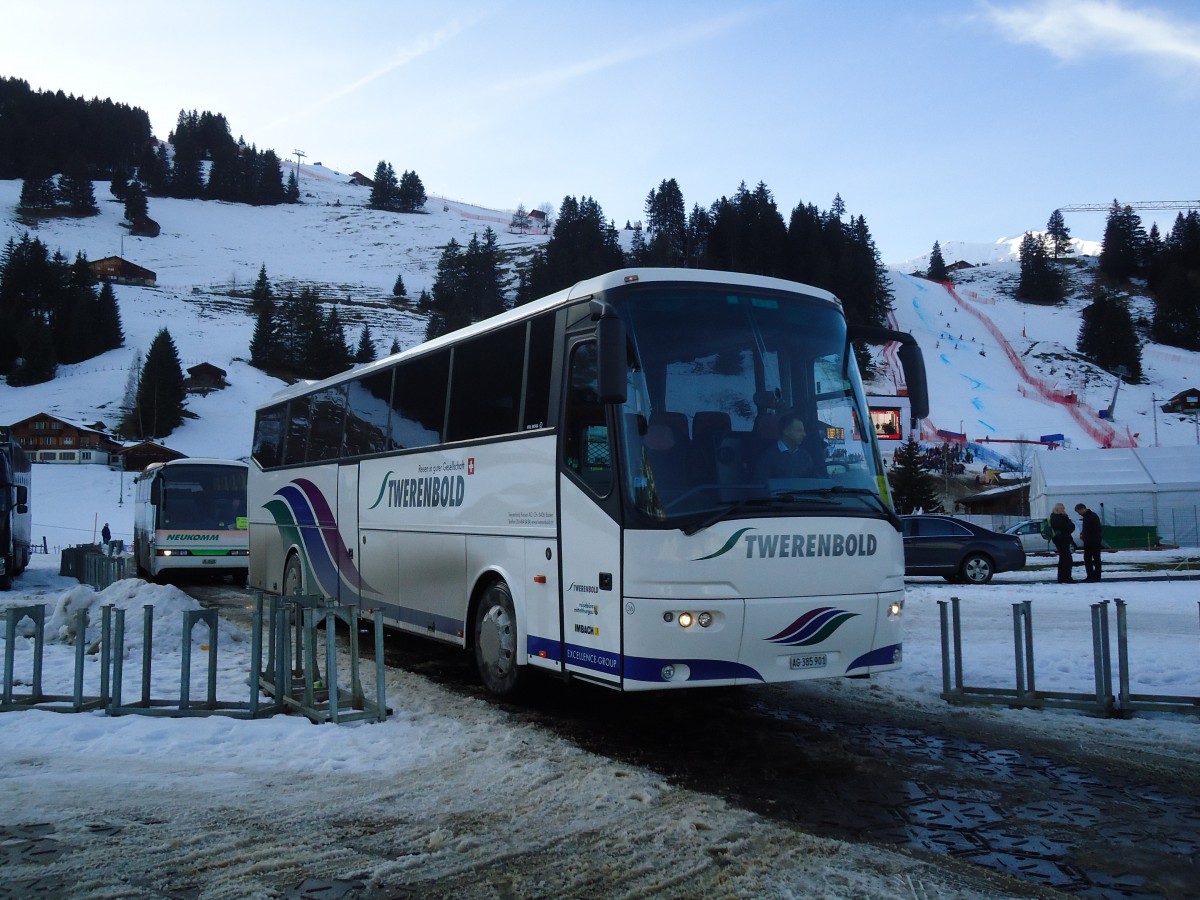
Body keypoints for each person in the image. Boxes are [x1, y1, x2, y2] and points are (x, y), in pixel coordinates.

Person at [756, 412, 819, 481]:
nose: (804, 434)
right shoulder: (768, 457)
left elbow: (815, 481)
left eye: (803, 431)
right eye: (799, 431)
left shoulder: (805, 456)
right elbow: (760, 484)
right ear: (786, 431)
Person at [1049, 502, 1076, 584]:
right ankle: (1066, 577)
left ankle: (1063, 577)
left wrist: (1066, 519)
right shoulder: (1056, 518)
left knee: (1064, 559)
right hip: (1061, 540)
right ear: (1057, 509)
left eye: (1063, 508)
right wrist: (1065, 518)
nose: (1063, 510)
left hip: (1063, 540)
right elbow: (1067, 526)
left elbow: (1071, 527)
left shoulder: (1057, 517)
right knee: (1066, 559)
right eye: (1062, 508)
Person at [1075, 503, 1103, 582]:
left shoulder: (1091, 517)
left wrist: (1086, 536)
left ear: (1082, 509)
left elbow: (1094, 529)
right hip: (1090, 541)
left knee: (1094, 559)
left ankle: (1095, 576)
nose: (1079, 514)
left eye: (1079, 512)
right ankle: (1092, 576)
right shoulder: (1089, 516)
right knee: (1090, 559)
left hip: (1093, 541)